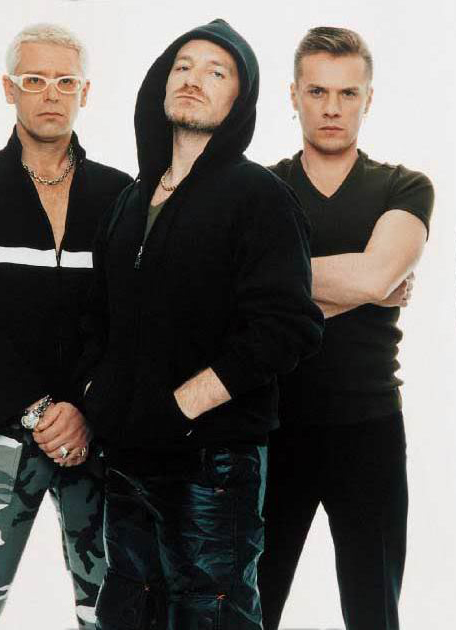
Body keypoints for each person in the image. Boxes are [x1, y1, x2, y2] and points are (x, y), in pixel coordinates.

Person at [79, 18, 324, 630]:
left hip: (212, 466)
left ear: (240, 99)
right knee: (127, 611)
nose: (194, 79)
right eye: (183, 66)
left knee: (210, 615)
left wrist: (180, 407)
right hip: (126, 459)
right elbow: (102, 317)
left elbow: (286, 326)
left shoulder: (259, 196)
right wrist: (101, 399)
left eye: (217, 72)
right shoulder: (132, 199)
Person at [0, 23, 132, 630]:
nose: (50, 94)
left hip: (97, 438)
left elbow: (130, 320)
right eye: (35, 79)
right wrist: (38, 410)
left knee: (119, 613)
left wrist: (84, 408)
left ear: (85, 93)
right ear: (8, 89)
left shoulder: (119, 195)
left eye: (65, 82)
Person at [257, 27, 434, 630]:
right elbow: (230, 294)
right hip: (270, 426)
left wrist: (277, 288)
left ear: (368, 99)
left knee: (373, 612)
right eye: (318, 91)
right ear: (294, 95)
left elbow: (378, 272)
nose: (332, 107)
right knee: (251, 607)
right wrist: (363, 287)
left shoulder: (404, 186)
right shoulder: (260, 189)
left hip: (369, 427)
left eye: (348, 93)